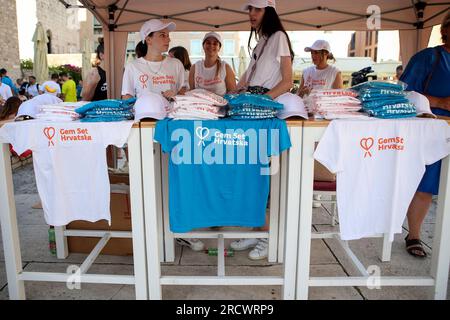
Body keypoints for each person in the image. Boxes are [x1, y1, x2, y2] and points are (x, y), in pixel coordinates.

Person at [122, 19, 203, 251]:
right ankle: (151, 233)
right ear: (148, 38)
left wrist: (176, 93)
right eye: (163, 35)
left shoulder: (175, 64)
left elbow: (185, 91)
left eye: (168, 35)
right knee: (149, 182)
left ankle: (181, 229)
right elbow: (126, 98)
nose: (168, 39)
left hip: (174, 130)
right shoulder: (133, 67)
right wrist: (144, 101)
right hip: (144, 134)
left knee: (177, 180)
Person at [230, 0, 300, 260]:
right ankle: (257, 229)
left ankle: (268, 235)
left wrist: (263, 100)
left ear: (268, 12)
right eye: (250, 9)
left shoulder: (279, 37)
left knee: (265, 172)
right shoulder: (261, 42)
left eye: (257, 9)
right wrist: (232, 94)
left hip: (265, 110)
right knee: (252, 172)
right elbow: (246, 78)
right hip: (251, 109)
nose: (251, 14)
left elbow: (287, 80)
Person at [400, 11, 450, 258]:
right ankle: (415, 234)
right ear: (446, 30)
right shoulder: (428, 57)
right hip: (430, 132)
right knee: (425, 185)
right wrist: (441, 101)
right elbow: (404, 93)